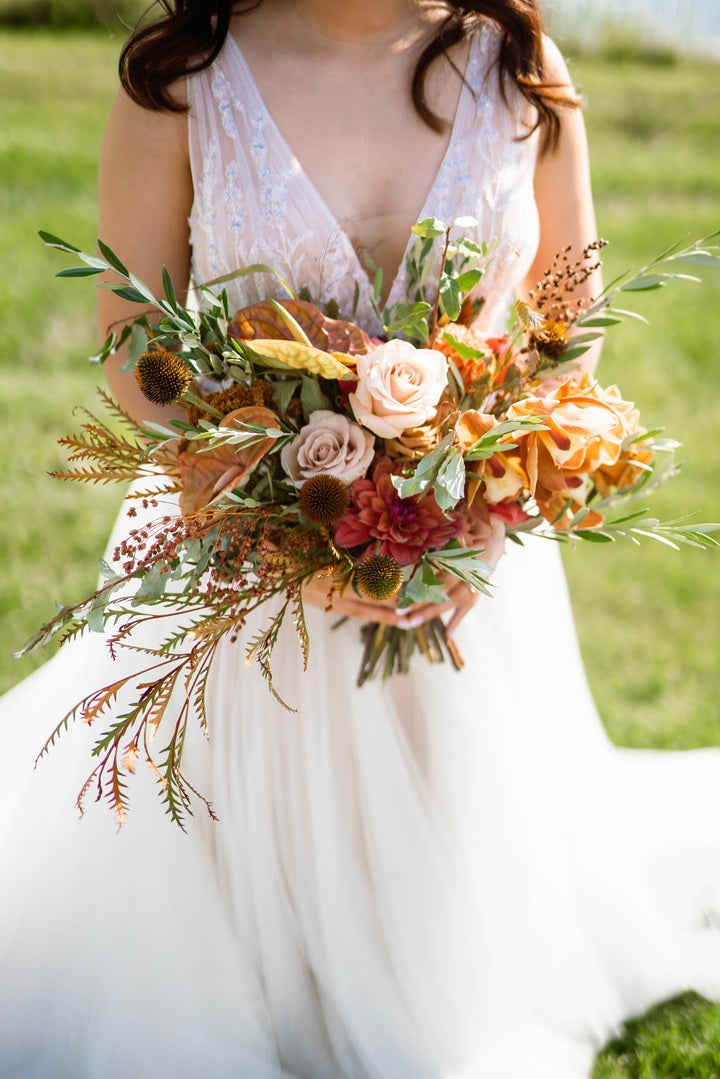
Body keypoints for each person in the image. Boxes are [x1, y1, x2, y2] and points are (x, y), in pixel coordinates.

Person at [1, 1, 719, 1076]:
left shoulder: (520, 68)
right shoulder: (182, 78)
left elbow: (567, 326)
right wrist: (278, 529)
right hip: (239, 571)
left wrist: (472, 502)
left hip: (469, 574)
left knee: (452, 961)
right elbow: (133, 352)